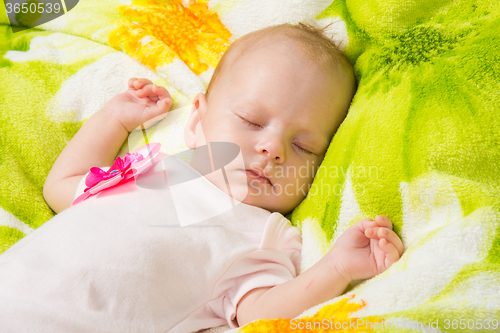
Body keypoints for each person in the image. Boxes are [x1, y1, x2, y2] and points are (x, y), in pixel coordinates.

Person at [2, 23, 403, 332]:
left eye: (304, 147)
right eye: (251, 120)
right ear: (196, 119)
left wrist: (336, 269)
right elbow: (63, 188)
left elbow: (258, 313)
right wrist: (114, 119)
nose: (273, 148)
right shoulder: (153, 168)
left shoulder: (261, 234)